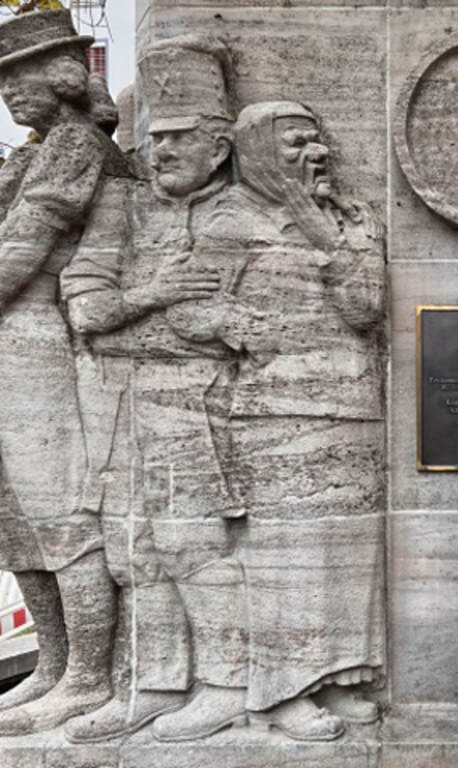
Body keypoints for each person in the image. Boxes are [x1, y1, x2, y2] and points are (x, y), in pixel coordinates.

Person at [59, 34, 239, 742]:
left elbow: (216, 332)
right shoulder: (120, 207)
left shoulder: (237, 214)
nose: (157, 150)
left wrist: (126, 320)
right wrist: (157, 293)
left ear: (219, 147)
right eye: (153, 137)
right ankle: (154, 686)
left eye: (176, 138)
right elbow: (87, 310)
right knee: (133, 556)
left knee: (196, 551)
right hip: (119, 409)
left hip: (199, 411)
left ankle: (225, 685)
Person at [194, 100, 387, 740]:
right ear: (253, 153)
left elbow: (366, 309)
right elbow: (188, 312)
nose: (318, 153)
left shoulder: (349, 220)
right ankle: (281, 693)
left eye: (318, 140)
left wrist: (320, 231)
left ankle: (334, 678)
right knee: (289, 557)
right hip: (273, 412)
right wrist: (234, 324)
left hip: (353, 405)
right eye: (296, 143)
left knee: (346, 550)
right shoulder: (227, 220)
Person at [0, 9, 132, 736]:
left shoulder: (76, 148)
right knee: (17, 524)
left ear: (60, 73)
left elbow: (20, 254)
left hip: (43, 339)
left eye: (20, 75)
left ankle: (87, 676)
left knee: (61, 513)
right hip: (8, 342)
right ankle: (52, 666)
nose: (11, 93)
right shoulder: (30, 155)